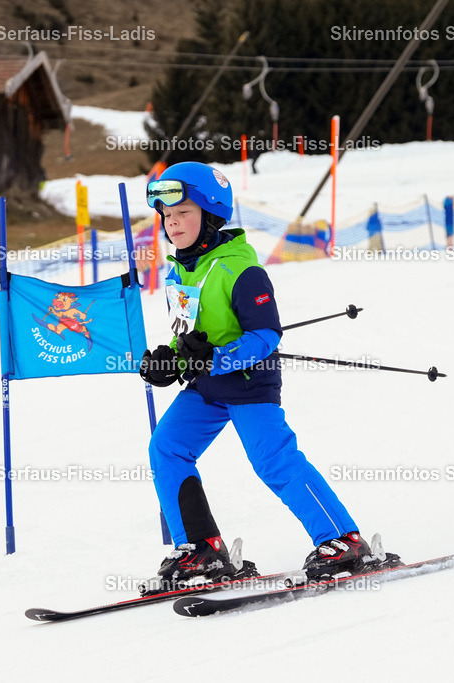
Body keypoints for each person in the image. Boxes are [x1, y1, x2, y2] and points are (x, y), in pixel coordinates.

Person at [139, 161, 372, 587]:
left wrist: (213, 358)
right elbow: (186, 336)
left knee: (272, 459)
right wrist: (168, 360)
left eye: (183, 214)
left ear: (210, 214)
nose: (172, 224)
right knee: (167, 446)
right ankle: (202, 549)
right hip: (207, 387)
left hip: (249, 383)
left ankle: (343, 539)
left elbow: (266, 336)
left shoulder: (240, 268)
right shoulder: (180, 270)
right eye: (167, 217)